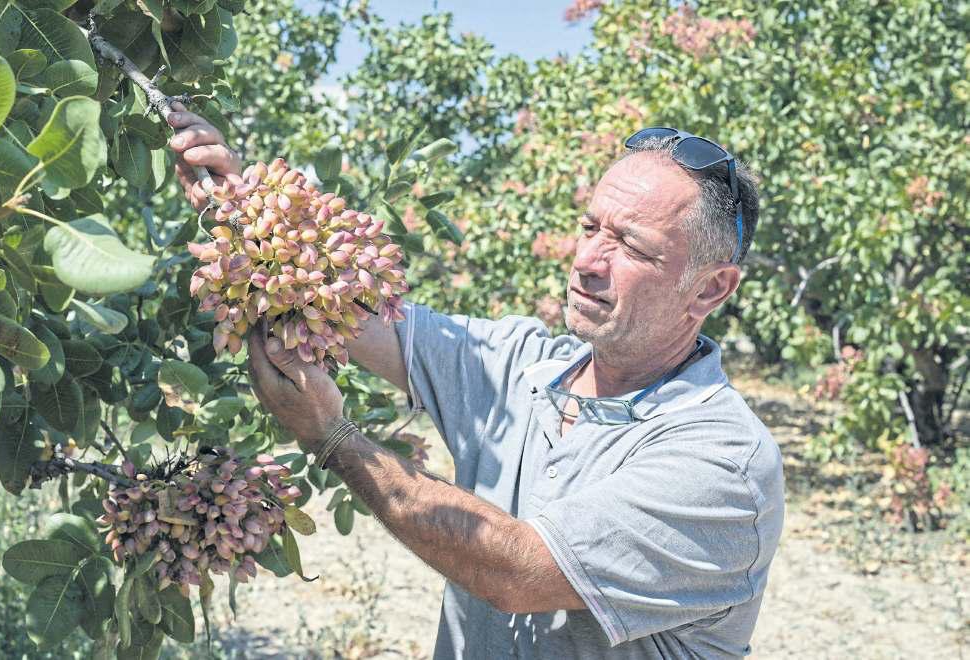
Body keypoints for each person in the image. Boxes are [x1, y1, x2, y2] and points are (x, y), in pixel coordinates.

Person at [167, 105, 785, 659]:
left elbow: (516, 573)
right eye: (591, 227)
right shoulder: (523, 366)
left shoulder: (723, 461)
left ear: (711, 288)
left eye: (631, 246)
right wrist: (243, 210)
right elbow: (347, 311)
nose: (589, 260)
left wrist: (332, 437)